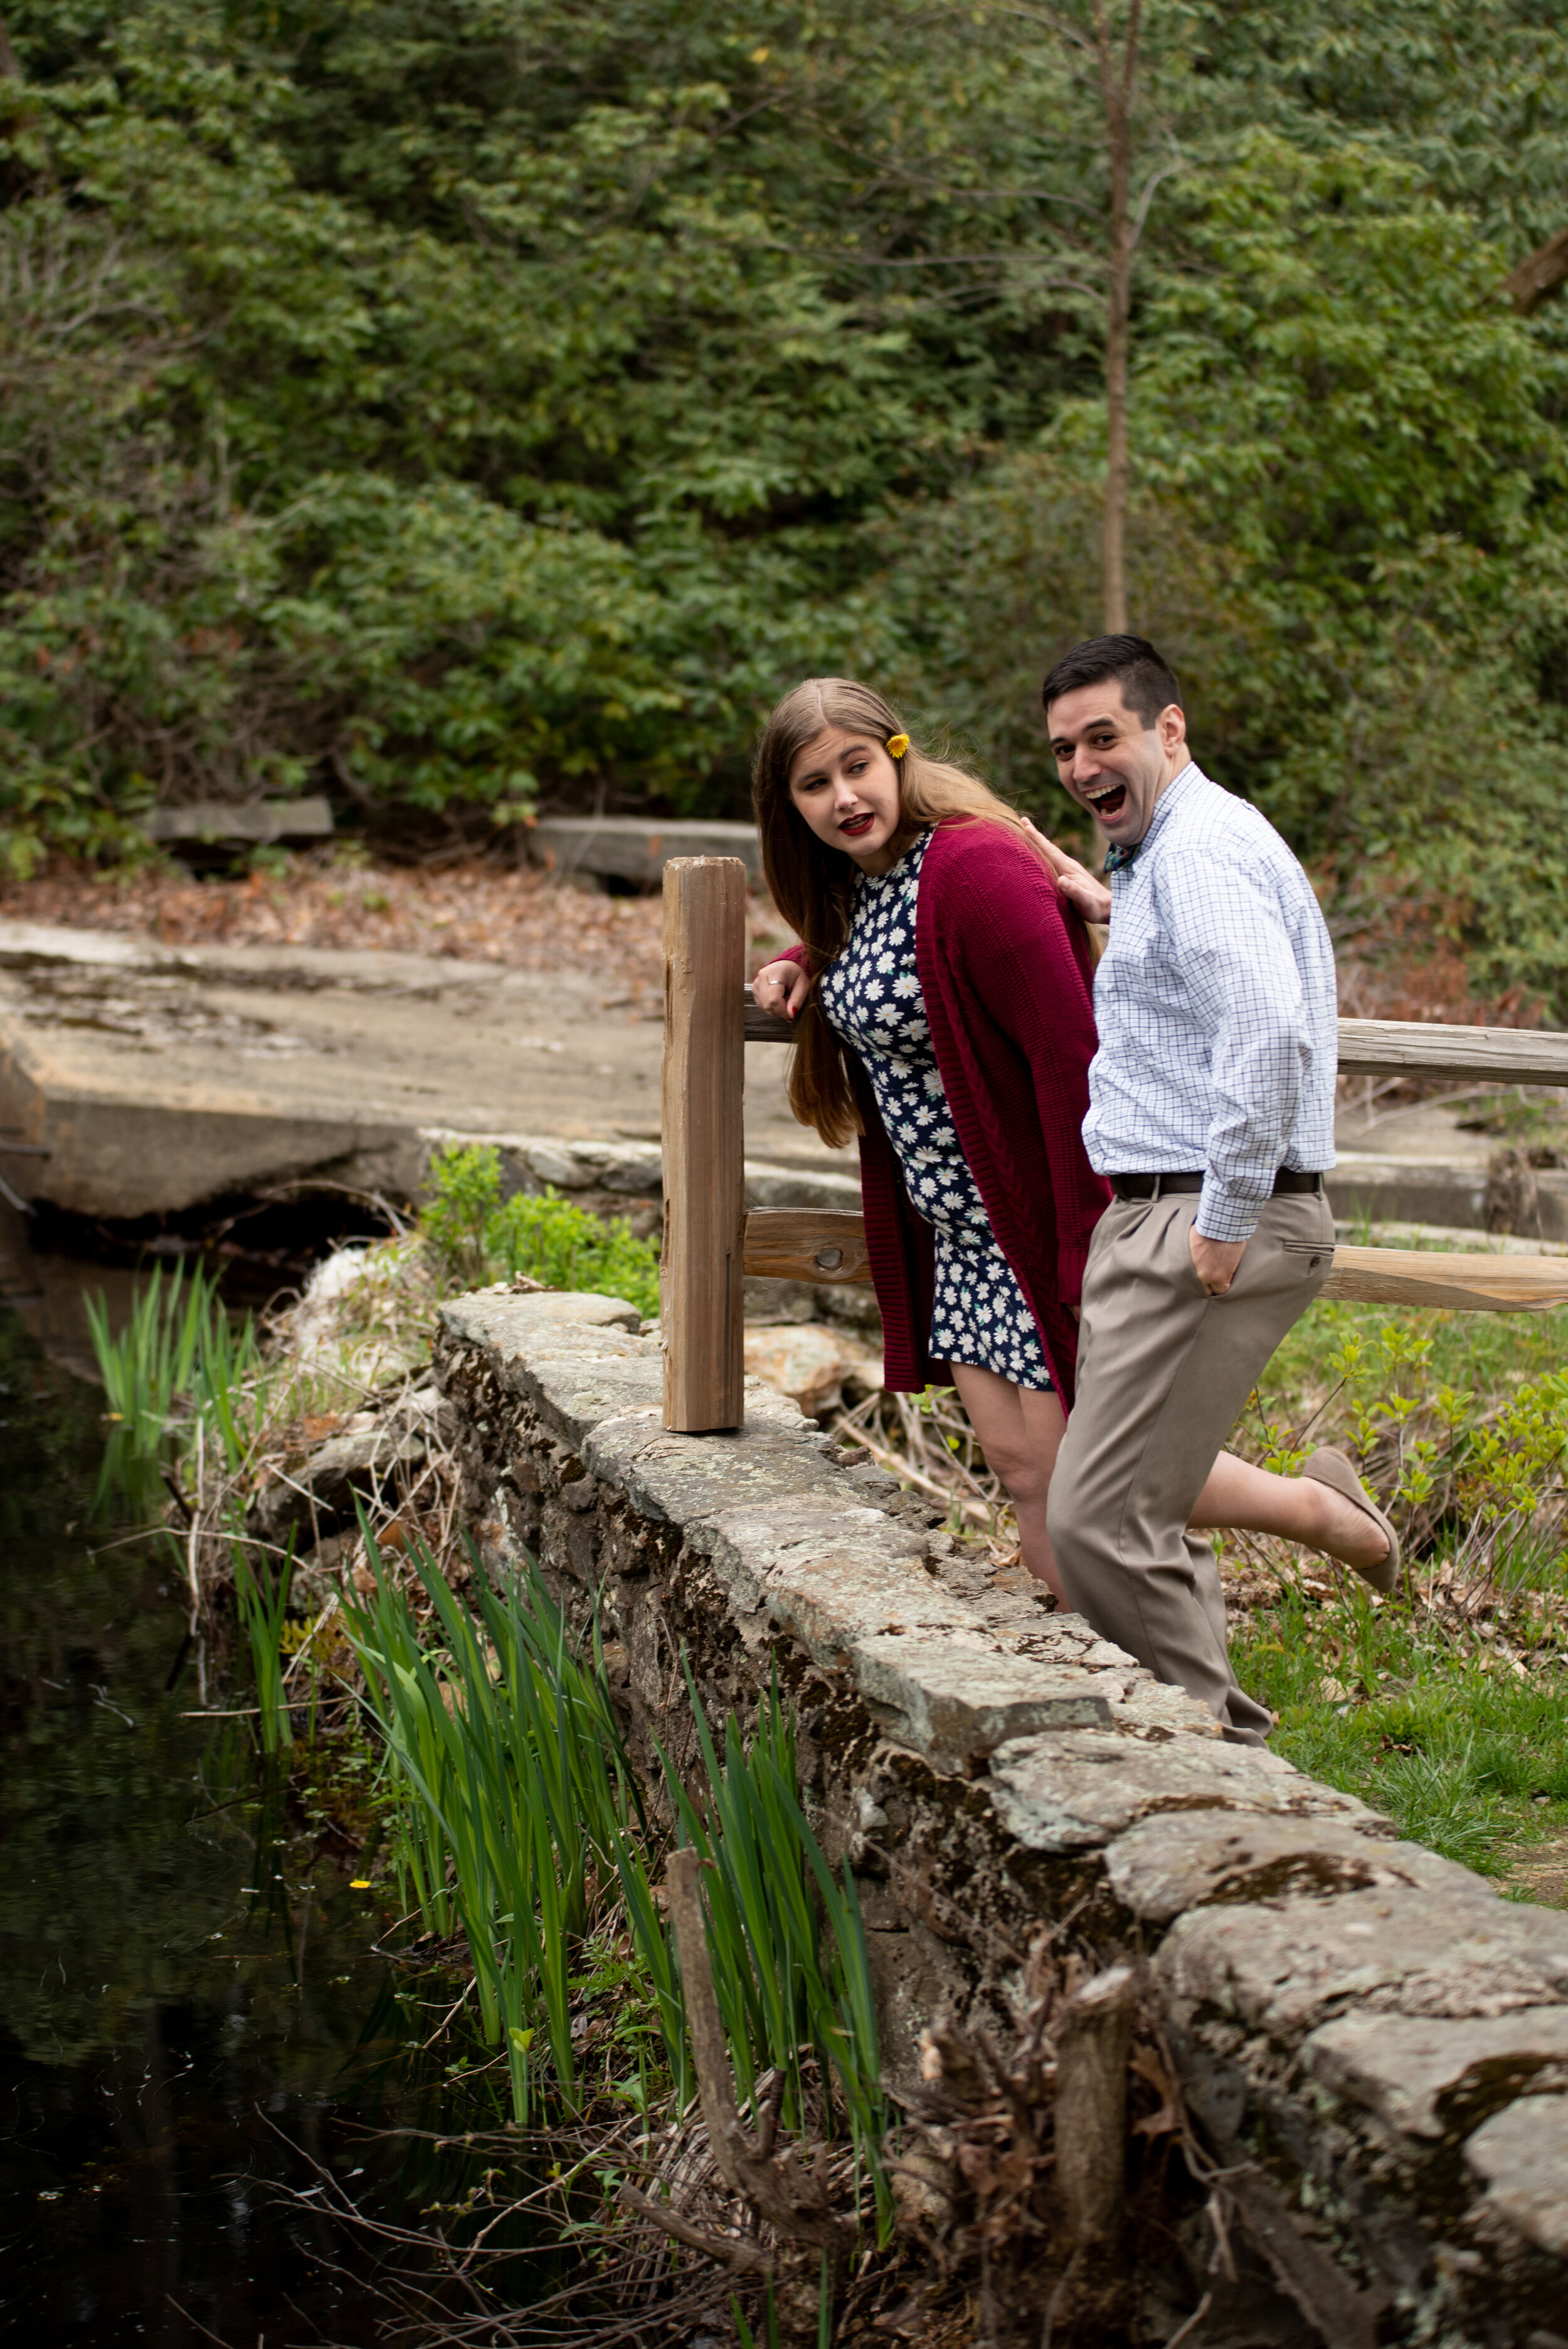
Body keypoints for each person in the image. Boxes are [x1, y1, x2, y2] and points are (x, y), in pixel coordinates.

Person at [751, 674, 1397, 1626]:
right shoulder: (863, 888)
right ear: (789, 805)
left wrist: (1080, 1242)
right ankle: (1092, 1684)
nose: (844, 797)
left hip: (1031, 1227)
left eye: (858, 766)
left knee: (1086, 1474)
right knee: (1022, 1472)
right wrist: (803, 959)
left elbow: (1071, 1060)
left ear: (898, 756)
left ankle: (1312, 1521)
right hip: (958, 1240)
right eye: (815, 784)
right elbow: (900, 956)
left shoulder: (975, 867)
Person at [1032, 632, 1398, 1744]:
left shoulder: (1198, 855)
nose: (1085, 765)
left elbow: (1269, 1030)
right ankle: (1214, 1742)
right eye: (1062, 749)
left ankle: (1216, 1752)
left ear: (1168, 729)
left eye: (1106, 737)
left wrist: (1225, 1218)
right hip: (1165, 1204)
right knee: (1150, 1496)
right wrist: (1109, 902)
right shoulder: (1167, 854)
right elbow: (1201, 985)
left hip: (1208, 1208)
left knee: (1095, 1519)